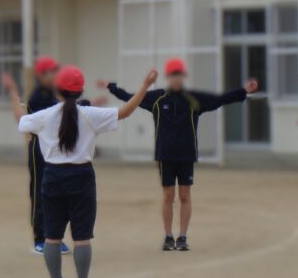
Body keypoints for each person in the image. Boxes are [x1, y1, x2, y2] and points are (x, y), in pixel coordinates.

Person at [2, 65, 158, 278]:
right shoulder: (89, 114)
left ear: (57, 91)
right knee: (82, 236)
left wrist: (13, 92)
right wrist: (145, 86)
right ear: (81, 91)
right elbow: (125, 111)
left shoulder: (46, 116)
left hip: (52, 176)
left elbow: (20, 120)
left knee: (52, 236)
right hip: (81, 176)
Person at [101, 58, 258, 251]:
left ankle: (182, 237)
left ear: (183, 76)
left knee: (185, 194)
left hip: (186, 154)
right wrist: (113, 88)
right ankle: (168, 236)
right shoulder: (157, 98)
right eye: (173, 75)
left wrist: (244, 91)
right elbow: (131, 98)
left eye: (179, 74)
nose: (177, 78)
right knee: (168, 195)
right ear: (168, 77)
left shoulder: (194, 99)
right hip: (165, 154)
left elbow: (220, 99)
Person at [25, 56, 105, 254]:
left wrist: (86, 103)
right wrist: (86, 103)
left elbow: (67, 109)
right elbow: (57, 114)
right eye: (51, 71)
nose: (55, 75)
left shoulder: (56, 94)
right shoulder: (38, 97)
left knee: (55, 194)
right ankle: (40, 238)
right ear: (41, 75)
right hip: (39, 148)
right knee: (40, 192)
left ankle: (53, 236)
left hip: (55, 149)